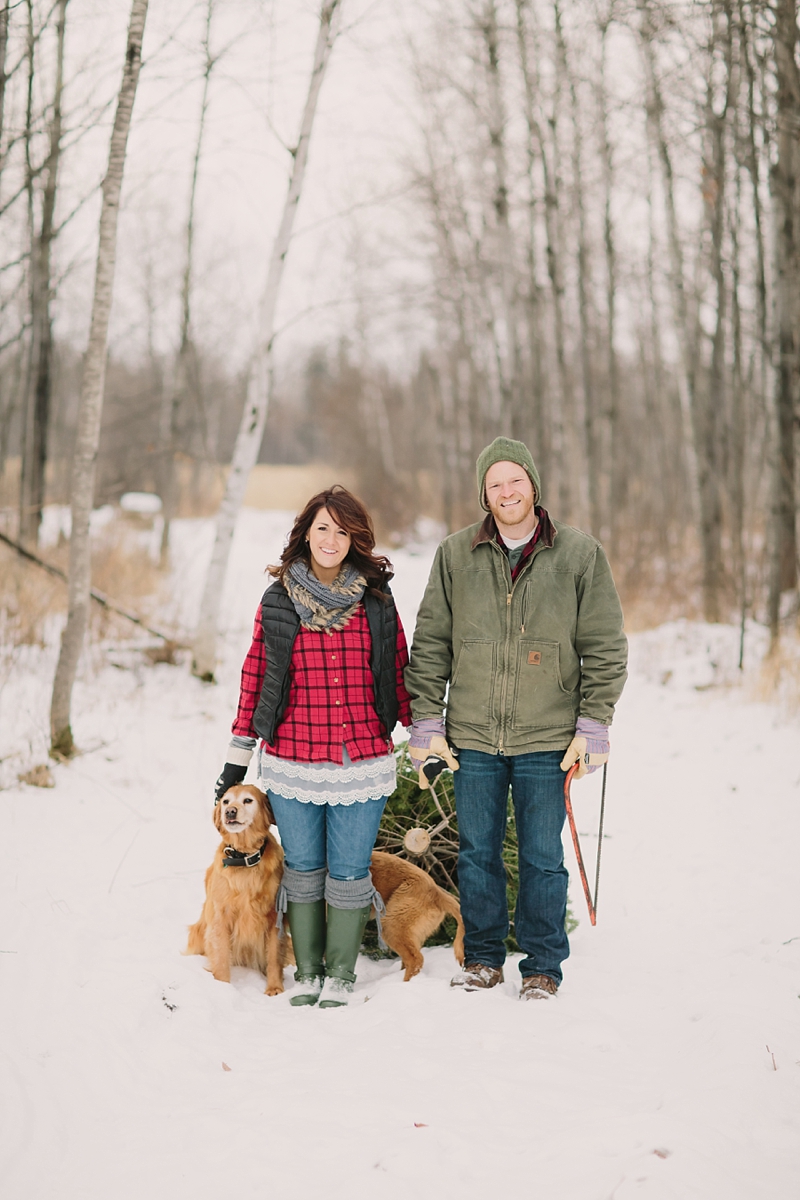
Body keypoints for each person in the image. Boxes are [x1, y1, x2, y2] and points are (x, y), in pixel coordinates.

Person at [404, 437, 627, 1000]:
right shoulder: (456, 554)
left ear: (533, 485)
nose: (507, 492)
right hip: (473, 735)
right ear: (484, 493)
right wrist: (427, 722)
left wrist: (593, 722)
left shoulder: (578, 554)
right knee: (477, 853)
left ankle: (542, 965)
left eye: (515, 480)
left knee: (541, 856)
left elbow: (604, 644)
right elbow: (430, 642)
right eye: (495, 483)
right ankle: (482, 957)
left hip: (547, 737)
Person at [214, 486, 411, 1008]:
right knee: (301, 871)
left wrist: (426, 735)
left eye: (342, 531)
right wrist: (238, 755)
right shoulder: (279, 599)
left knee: (348, 871)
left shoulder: (376, 598)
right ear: (306, 533)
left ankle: (341, 976)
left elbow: (398, 668)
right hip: (292, 759)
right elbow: (256, 673)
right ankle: (308, 972)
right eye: (322, 528)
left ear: (356, 540)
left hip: (361, 758)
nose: (331, 539)